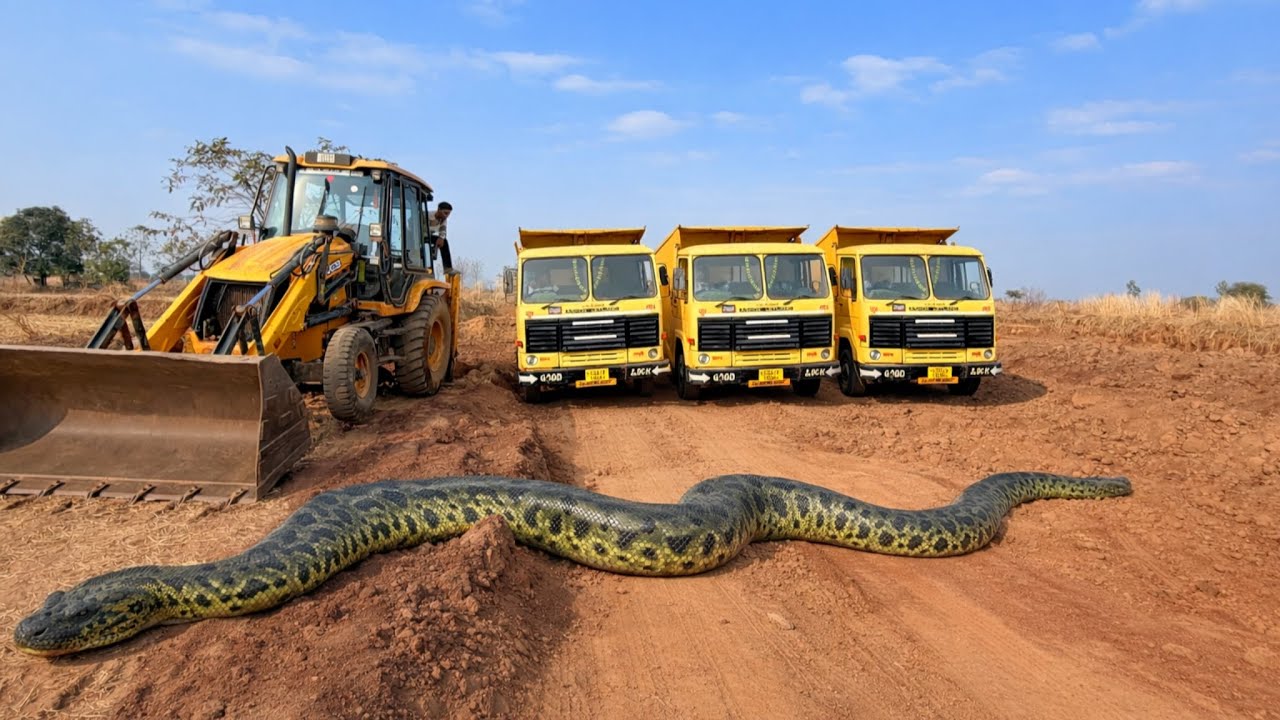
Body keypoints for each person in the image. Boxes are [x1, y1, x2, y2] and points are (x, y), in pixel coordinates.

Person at [427, 201, 454, 275]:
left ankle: (447, 268)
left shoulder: (443, 220)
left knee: (444, 242)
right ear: (438, 210)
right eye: (445, 213)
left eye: (448, 214)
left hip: (429, 237)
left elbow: (442, 232)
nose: (446, 216)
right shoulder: (426, 215)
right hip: (419, 236)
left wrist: (441, 239)